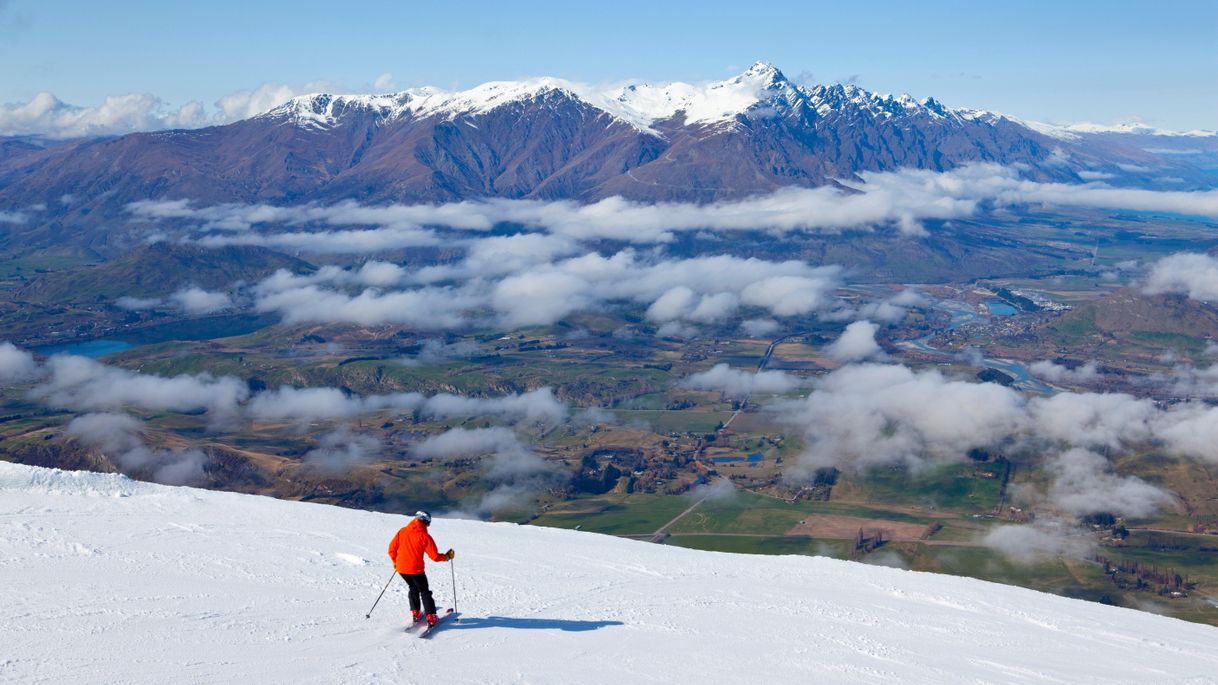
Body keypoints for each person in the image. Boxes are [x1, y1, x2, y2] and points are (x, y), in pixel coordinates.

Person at [387, 511, 454, 626]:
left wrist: (396, 562)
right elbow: (435, 557)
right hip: (416, 570)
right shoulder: (425, 536)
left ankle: (416, 613)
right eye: (429, 523)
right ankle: (431, 617)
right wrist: (447, 557)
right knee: (424, 591)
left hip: (401, 568)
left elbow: (391, 549)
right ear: (425, 521)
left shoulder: (402, 531)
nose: (429, 525)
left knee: (412, 587)